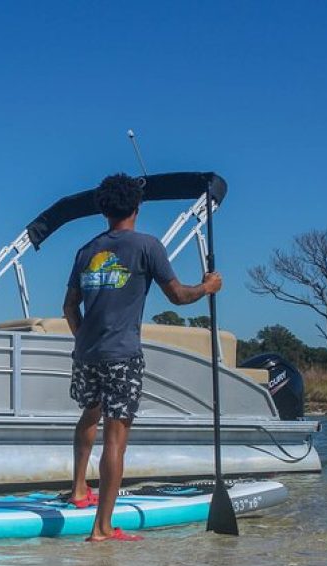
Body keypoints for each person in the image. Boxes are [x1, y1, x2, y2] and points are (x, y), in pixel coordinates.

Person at [62, 173, 222, 542]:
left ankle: (79, 490)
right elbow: (179, 297)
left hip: (86, 353)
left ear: (103, 209)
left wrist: (86, 338)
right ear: (137, 206)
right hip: (122, 355)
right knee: (116, 438)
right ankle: (101, 528)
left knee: (90, 412)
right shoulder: (147, 246)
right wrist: (208, 286)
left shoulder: (86, 250)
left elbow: (69, 305)